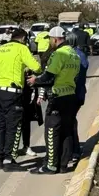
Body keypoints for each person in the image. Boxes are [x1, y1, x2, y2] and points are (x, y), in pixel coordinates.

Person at [28, 27, 81, 175]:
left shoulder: (59, 54)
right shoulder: (74, 54)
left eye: (50, 39)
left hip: (57, 98)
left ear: (55, 39)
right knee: (67, 132)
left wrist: (35, 81)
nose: (50, 42)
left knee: (51, 131)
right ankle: (63, 165)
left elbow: (49, 77)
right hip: (70, 95)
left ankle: (51, 166)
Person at [0, 27, 41, 171]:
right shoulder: (21, 48)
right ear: (23, 39)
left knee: (0, 126)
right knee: (13, 126)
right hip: (12, 92)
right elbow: (36, 67)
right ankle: (9, 160)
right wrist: (26, 68)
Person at [66, 31, 89, 162]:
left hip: (74, 93)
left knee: (69, 122)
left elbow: (78, 77)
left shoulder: (74, 56)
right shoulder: (81, 55)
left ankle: (73, 151)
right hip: (79, 93)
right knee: (71, 120)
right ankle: (73, 149)